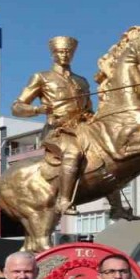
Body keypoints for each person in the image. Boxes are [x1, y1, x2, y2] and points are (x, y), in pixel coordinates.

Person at [11, 36, 94, 215]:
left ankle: (117, 206)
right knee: (73, 153)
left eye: (68, 52)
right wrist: (37, 109)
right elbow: (17, 107)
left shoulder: (82, 81)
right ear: (53, 54)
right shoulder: (42, 77)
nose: (65, 55)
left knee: (108, 150)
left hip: (82, 128)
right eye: (61, 52)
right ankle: (63, 201)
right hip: (58, 130)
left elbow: (89, 108)